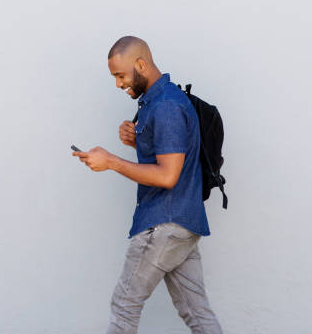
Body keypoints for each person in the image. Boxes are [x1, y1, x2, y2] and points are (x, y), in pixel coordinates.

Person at [72, 36, 223, 334]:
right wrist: (138, 141)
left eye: (120, 75)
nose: (118, 84)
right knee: (198, 313)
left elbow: (168, 176)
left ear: (141, 64)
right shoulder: (160, 100)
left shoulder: (165, 105)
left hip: (163, 223)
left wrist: (112, 162)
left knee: (124, 307)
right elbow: (170, 160)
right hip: (183, 222)